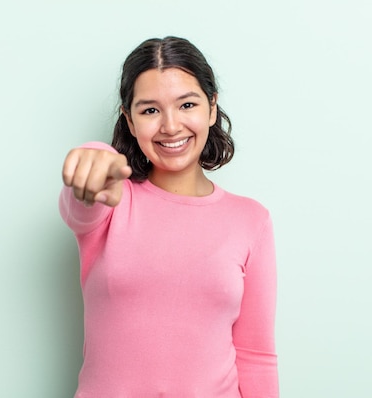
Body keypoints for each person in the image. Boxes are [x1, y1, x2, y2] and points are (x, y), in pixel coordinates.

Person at [60, 36, 278, 397]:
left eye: (186, 104)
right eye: (150, 111)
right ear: (128, 120)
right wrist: (94, 157)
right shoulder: (111, 201)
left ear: (211, 108)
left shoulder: (251, 221)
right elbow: (81, 199)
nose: (171, 126)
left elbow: (256, 356)